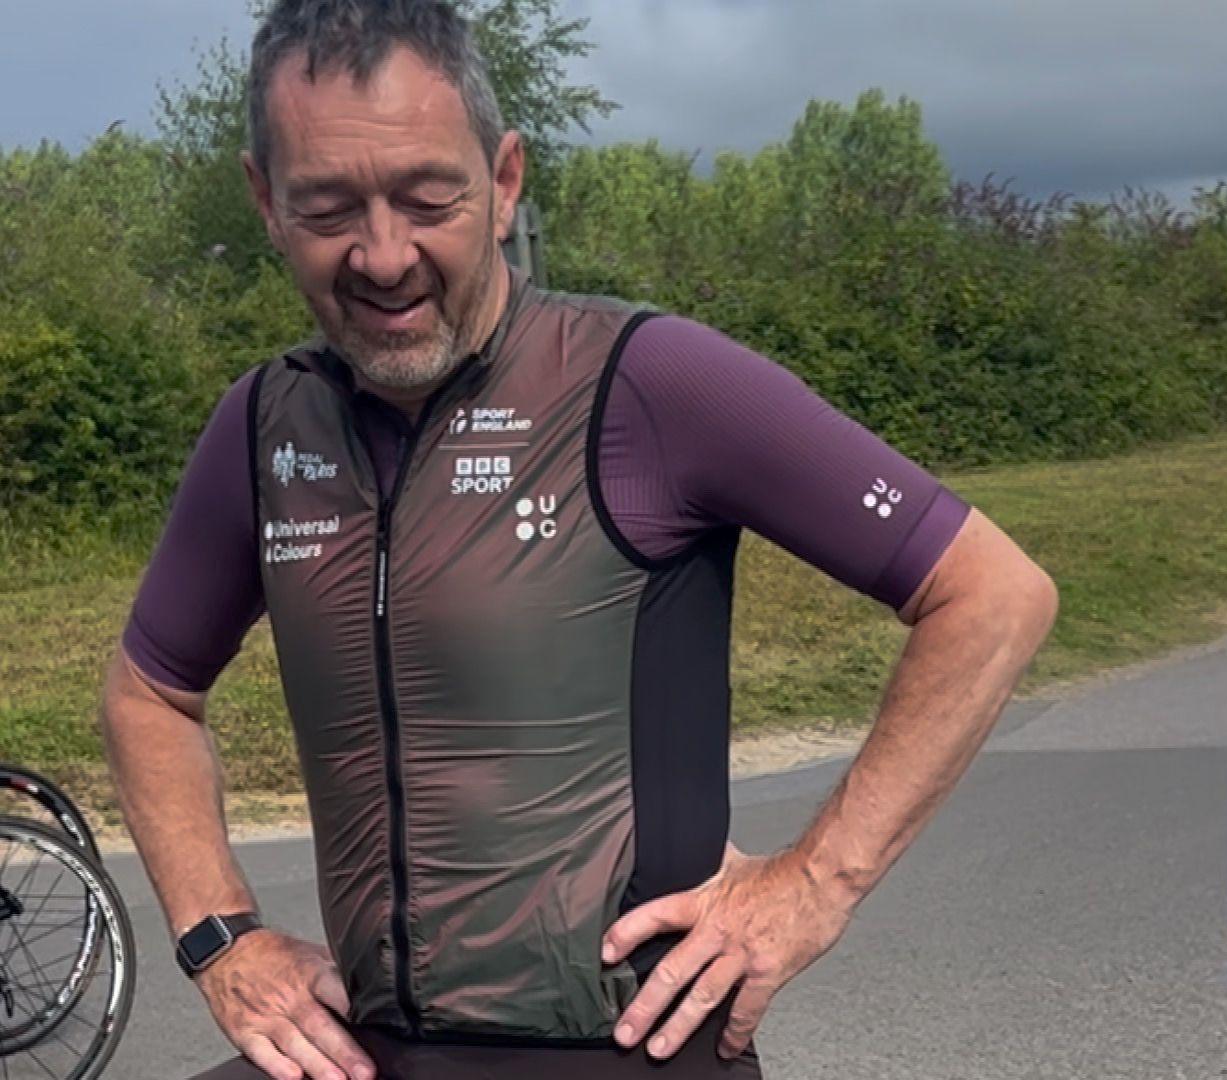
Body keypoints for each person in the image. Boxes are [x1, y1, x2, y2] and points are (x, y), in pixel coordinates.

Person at [99, 2, 1056, 1078]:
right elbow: (150, 694)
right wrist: (220, 934)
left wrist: (815, 884)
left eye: (427, 198)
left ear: (505, 182)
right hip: (370, 1051)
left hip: (622, 1050)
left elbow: (992, 592)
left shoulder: (649, 383)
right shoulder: (267, 426)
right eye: (328, 207)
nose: (383, 255)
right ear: (266, 202)